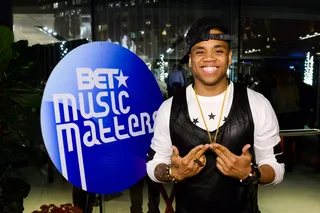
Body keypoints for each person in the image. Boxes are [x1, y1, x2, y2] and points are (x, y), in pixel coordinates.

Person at [146, 17, 285, 213]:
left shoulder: (257, 103)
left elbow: (276, 167)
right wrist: (172, 172)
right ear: (191, 58)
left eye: (218, 51)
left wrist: (251, 173)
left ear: (229, 57)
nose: (209, 58)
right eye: (200, 51)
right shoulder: (169, 108)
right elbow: (153, 164)